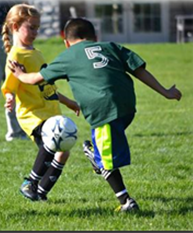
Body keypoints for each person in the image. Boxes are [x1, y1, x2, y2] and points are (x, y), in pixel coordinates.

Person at [9, 18, 182, 211]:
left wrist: (19, 74)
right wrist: (166, 92)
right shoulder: (111, 46)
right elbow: (139, 69)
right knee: (105, 147)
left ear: (66, 43)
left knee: (106, 161)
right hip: (127, 107)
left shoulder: (69, 55)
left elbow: (34, 79)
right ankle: (97, 154)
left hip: (103, 110)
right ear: (95, 37)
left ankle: (126, 202)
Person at [1, 4, 80, 201]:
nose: (36, 32)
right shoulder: (16, 56)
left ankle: (40, 192)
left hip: (50, 110)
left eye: (38, 27)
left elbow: (46, 86)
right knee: (51, 142)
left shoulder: (36, 52)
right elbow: (9, 86)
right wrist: (9, 98)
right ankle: (30, 182)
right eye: (31, 27)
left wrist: (68, 101)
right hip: (33, 114)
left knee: (63, 153)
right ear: (15, 26)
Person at [0, 1, 27, 142]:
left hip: (12, 39)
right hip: (7, 39)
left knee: (15, 89)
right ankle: (15, 132)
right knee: (11, 91)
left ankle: (19, 131)